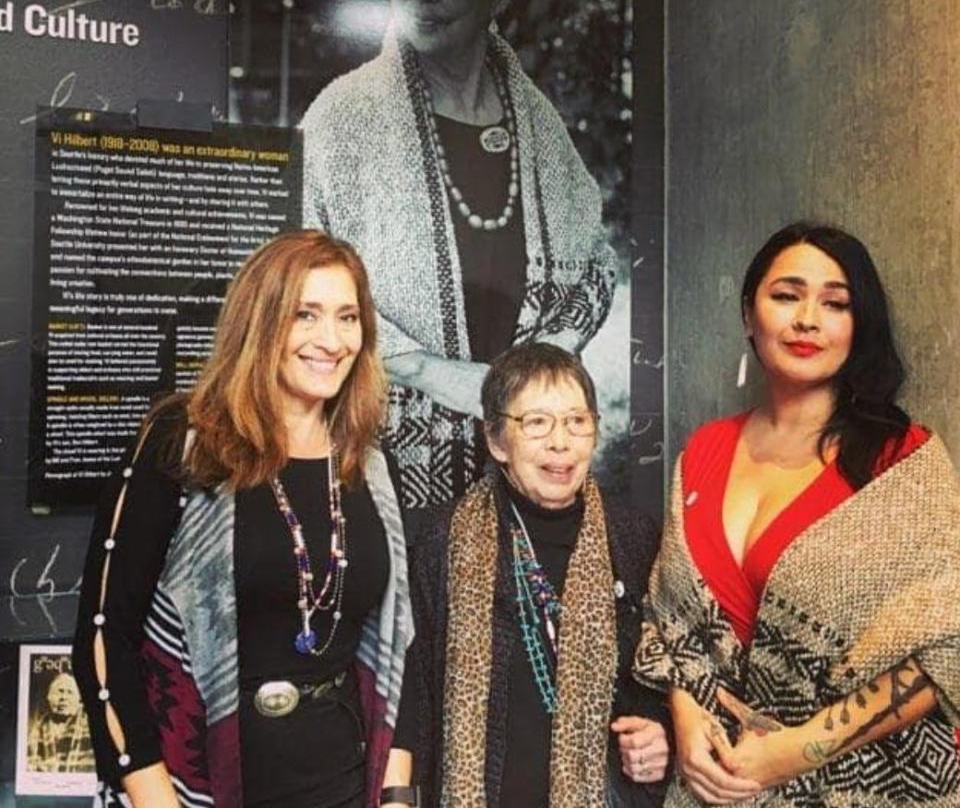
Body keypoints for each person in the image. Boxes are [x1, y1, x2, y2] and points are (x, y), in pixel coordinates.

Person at [301, 0, 617, 513]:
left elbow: (597, 267)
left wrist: (536, 364)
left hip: (525, 469)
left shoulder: (539, 125)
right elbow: (294, 284)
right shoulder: (341, 118)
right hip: (376, 470)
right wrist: (424, 368)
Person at [72, 231, 414, 808]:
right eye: (305, 314)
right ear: (260, 321)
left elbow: (401, 641)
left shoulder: (373, 464)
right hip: (199, 785)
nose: (331, 340)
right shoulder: (183, 441)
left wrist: (397, 795)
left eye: (348, 317)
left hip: (348, 783)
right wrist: (156, 799)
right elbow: (105, 638)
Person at [635, 222, 960, 805]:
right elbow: (668, 621)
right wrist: (686, 719)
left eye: (835, 303)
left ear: (858, 328)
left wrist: (797, 750)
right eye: (786, 295)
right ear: (749, 314)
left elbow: (947, 644)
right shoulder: (703, 452)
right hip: (714, 790)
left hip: (860, 788)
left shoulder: (903, 461)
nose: (807, 318)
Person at [395, 342, 670, 806]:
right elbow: (415, 691)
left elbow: (660, 678)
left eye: (577, 422)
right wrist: (397, 797)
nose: (560, 442)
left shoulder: (632, 537)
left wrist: (660, 736)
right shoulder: (441, 539)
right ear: (498, 440)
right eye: (537, 423)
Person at [27, 671, 95, 774]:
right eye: (60, 691)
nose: (64, 698)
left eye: (69, 692)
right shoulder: (38, 727)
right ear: (49, 697)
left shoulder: (91, 726)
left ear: (79, 699)